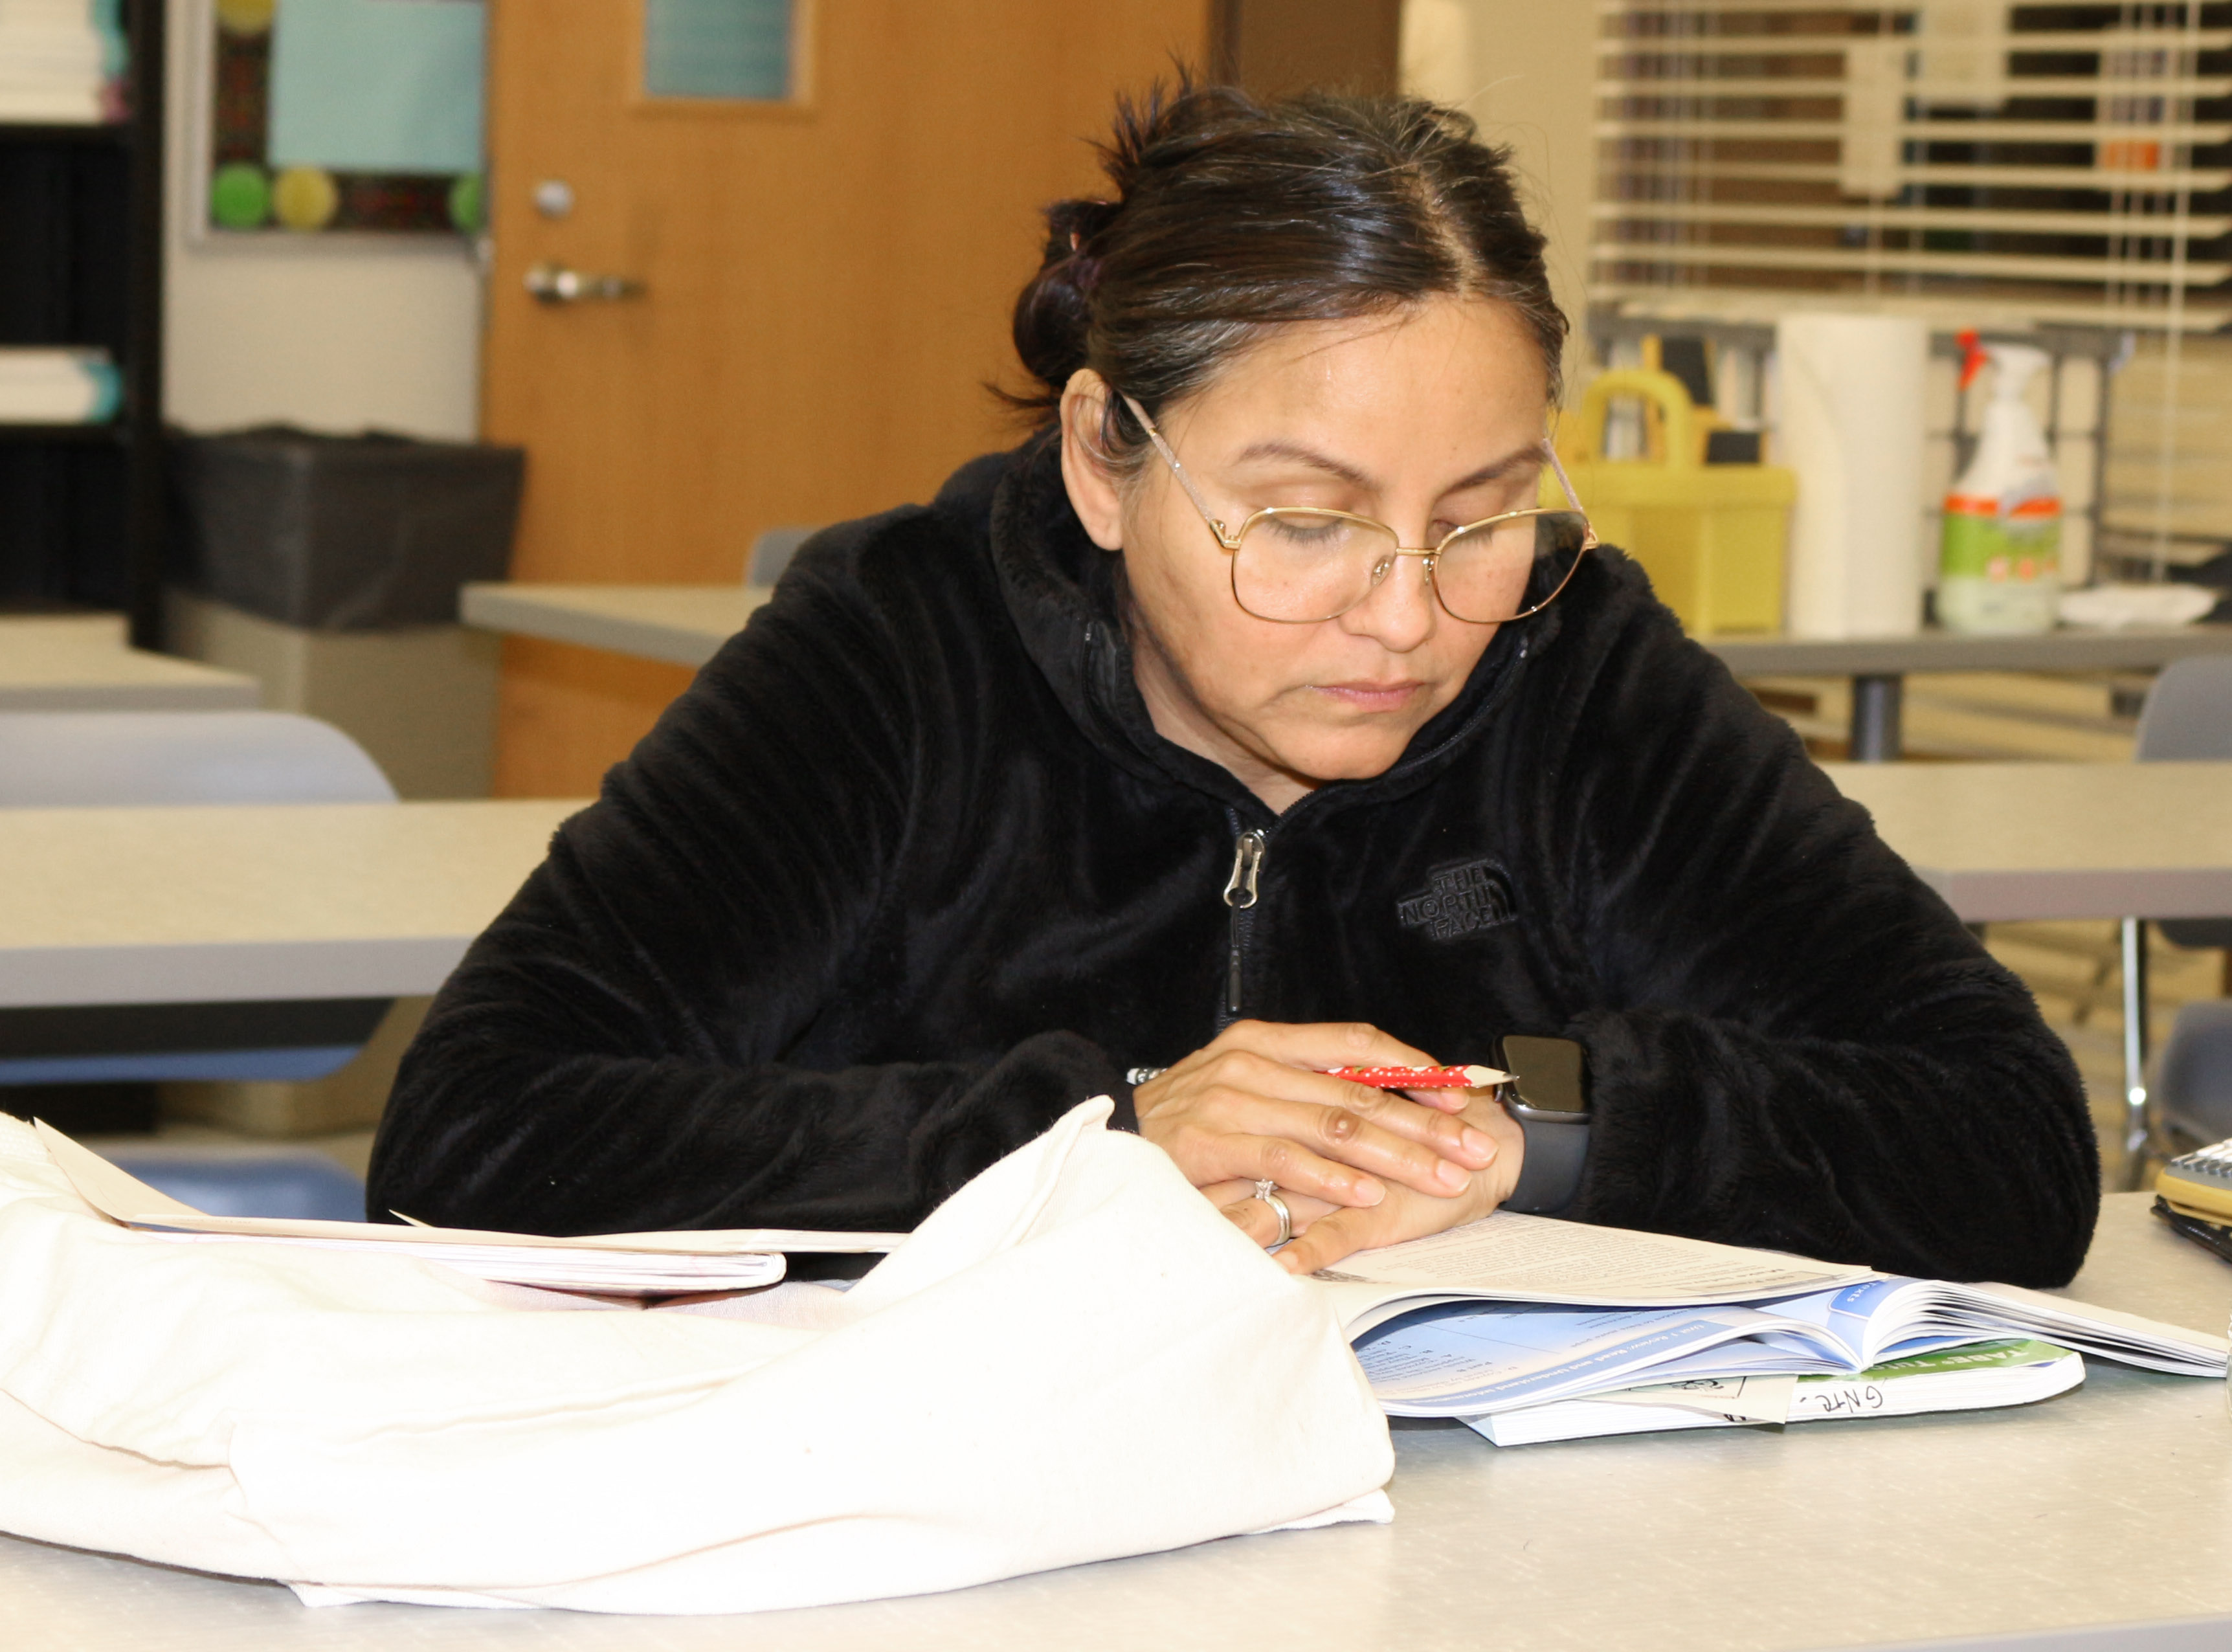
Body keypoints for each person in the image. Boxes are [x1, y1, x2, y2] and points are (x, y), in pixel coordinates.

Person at [368, 85, 2099, 1285]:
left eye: (1482, 518)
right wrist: (1096, 1137)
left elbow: (2007, 1139)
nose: (1410, 618)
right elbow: (479, 1130)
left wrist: (1515, 1125)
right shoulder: (897, 652)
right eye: (1305, 521)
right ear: (1105, 463)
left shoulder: (1579, 669)